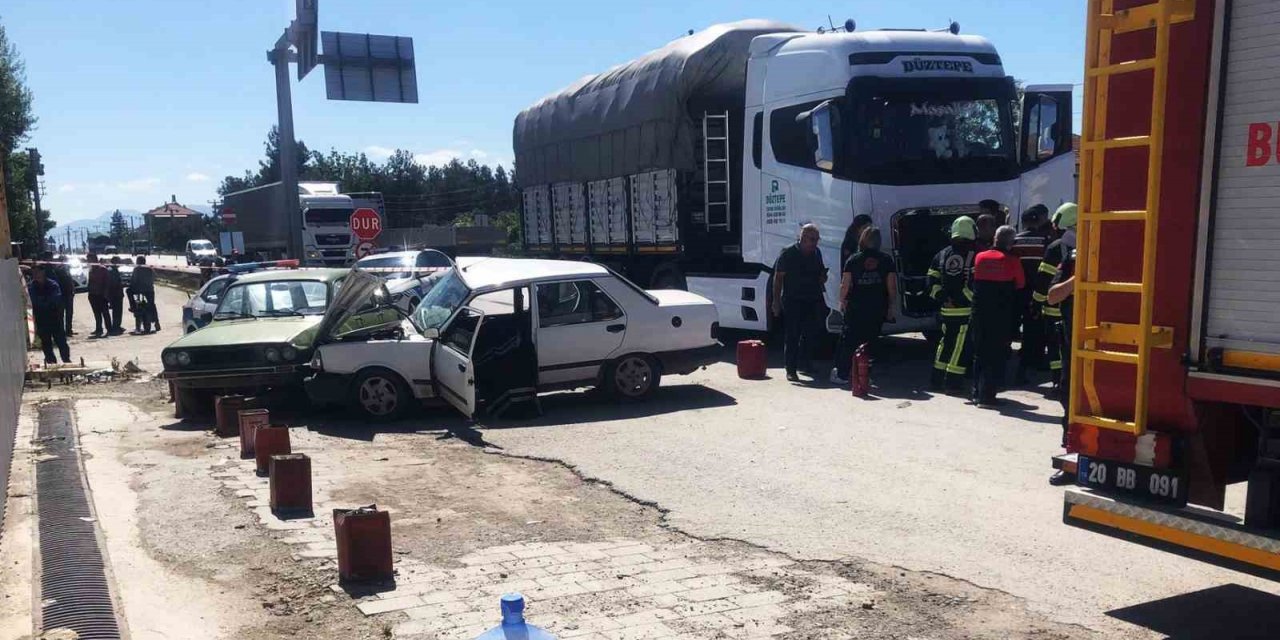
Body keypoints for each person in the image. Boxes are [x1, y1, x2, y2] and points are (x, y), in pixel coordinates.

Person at [831, 226, 897, 385]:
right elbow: (892, 287)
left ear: (862, 240)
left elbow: (845, 285)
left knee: (849, 341)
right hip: (877, 308)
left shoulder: (853, 260)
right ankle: (865, 374)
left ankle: (842, 374)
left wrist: (842, 301)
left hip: (856, 308)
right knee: (871, 342)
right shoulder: (887, 260)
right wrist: (890, 307)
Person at [970, 226, 1026, 406]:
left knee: (979, 353)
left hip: (979, 312)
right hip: (1001, 314)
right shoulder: (1012, 260)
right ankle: (987, 396)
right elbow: (1020, 285)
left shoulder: (980, 257)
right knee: (995, 355)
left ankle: (976, 392)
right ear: (1011, 243)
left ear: (994, 238)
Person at [927, 216, 978, 393]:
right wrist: (964, 300)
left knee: (945, 343)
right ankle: (953, 382)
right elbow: (974, 284)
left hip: (946, 310)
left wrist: (942, 297)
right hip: (965, 310)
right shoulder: (974, 254)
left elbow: (931, 281)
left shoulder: (941, 254)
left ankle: (936, 379)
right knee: (961, 348)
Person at [772, 223, 828, 382]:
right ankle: (791, 369)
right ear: (803, 238)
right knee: (792, 335)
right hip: (792, 299)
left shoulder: (816, 252)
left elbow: (820, 272)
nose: (815, 243)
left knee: (810, 333)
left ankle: (806, 364)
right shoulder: (788, 253)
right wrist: (775, 301)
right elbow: (778, 278)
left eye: (817, 239)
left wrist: (823, 277)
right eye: (812, 239)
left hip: (812, 298)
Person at [1032, 203, 1078, 392]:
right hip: (1072, 308)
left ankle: (1059, 383)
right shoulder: (1082, 244)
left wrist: (1035, 303)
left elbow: (1043, 281)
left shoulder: (1055, 247)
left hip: (1053, 308)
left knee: (1056, 350)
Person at [1047, 230, 1077, 486]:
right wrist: (1077, 280)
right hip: (1073, 347)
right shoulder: (1072, 260)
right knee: (1069, 400)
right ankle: (1070, 462)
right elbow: (1053, 295)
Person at [1011, 205, 1052, 384]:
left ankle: (1018, 367)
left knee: (1014, 330)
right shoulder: (1046, 241)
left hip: (1017, 292)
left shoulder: (1014, 241)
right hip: (1038, 293)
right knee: (1035, 330)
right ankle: (1033, 363)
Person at [28, 264, 71, 364]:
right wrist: (45, 301)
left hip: (54, 317)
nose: (36, 274)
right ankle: (51, 363)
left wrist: (43, 301)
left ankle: (67, 361)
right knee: (46, 343)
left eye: (38, 272)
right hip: (41, 319)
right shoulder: (32, 287)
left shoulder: (52, 284)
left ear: (43, 272)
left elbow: (56, 299)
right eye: (34, 272)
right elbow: (33, 300)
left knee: (61, 341)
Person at [45, 252, 77, 336]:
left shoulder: (66, 268)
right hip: (61, 294)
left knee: (69, 313)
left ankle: (69, 330)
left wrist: (73, 289)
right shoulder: (55, 269)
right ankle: (62, 331)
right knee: (61, 314)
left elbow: (70, 280)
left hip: (69, 293)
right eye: (62, 260)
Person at [129, 255, 159, 333]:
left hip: (140, 291)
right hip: (150, 291)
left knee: (128, 291)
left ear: (138, 262)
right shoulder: (150, 268)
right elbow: (155, 278)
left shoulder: (137, 269)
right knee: (152, 305)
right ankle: (156, 323)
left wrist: (131, 285)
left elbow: (134, 280)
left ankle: (132, 306)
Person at [86, 253, 111, 337]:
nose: (88, 262)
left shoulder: (102, 269)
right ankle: (99, 329)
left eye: (90, 260)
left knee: (105, 312)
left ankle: (109, 329)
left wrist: (106, 294)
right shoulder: (91, 270)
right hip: (93, 294)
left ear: (95, 259)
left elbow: (107, 283)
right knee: (96, 313)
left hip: (101, 294)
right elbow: (90, 282)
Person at [107, 256, 126, 335]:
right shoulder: (112, 270)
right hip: (116, 294)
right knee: (117, 311)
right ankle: (116, 326)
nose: (120, 263)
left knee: (117, 311)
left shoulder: (114, 270)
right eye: (119, 261)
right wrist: (121, 285)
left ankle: (117, 325)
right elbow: (114, 283)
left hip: (116, 293)